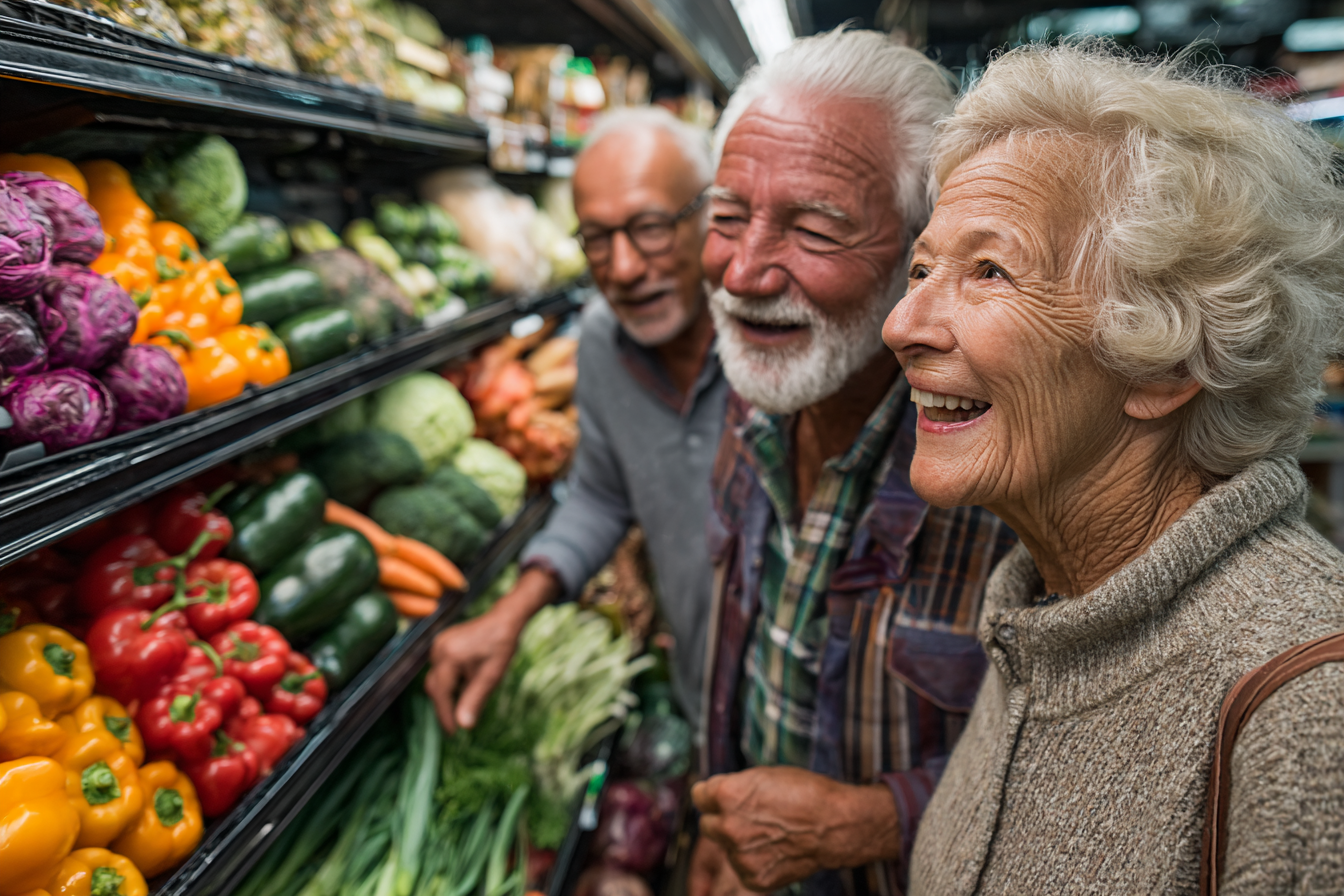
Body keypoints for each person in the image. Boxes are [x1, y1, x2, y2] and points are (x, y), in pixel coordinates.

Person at [888, 43, 1344, 894]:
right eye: (921, 268)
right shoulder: (1048, 620)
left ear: (1166, 363)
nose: (903, 324)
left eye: (990, 271)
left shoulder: (1309, 712)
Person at [689, 29, 1017, 896]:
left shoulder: (1010, 474)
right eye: (726, 216)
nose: (746, 271)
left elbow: (1099, 764)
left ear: (920, 252)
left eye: (816, 227)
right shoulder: (752, 396)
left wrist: (865, 822)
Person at [425, 107, 726, 733]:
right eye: (595, 237)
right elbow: (600, 492)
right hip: (705, 694)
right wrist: (513, 610)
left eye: (649, 228)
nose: (621, 268)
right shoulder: (600, 340)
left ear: (710, 214)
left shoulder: (779, 344)